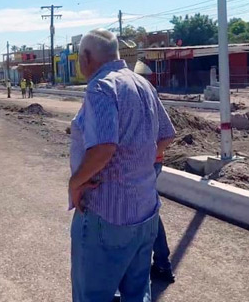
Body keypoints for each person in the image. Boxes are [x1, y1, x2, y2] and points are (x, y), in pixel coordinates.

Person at [68, 29, 175, 302]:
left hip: (107, 215)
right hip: (145, 211)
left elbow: (104, 147)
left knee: (93, 295)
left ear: (87, 57)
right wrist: (137, 166)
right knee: (137, 294)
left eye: (80, 58)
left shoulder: (101, 87)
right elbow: (166, 135)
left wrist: (76, 183)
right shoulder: (142, 84)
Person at [151, 137, 176, 284]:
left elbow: (168, 134)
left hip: (145, 162)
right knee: (149, 211)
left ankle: (162, 263)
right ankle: (162, 263)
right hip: (148, 161)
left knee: (148, 212)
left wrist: (146, 156)